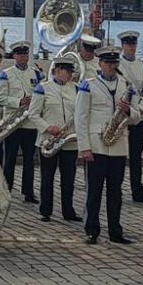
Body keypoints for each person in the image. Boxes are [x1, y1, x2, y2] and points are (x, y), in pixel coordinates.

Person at [76, 47, 133, 245]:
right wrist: (84, 147)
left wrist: (130, 111)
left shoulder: (126, 85)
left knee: (116, 191)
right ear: (100, 64)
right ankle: (92, 229)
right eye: (108, 63)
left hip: (118, 144)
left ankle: (115, 230)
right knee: (94, 190)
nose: (112, 66)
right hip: (97, 145)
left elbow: (138, 115)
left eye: (114, 63)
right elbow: (81, 118)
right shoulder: (88, 85)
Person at [27, 54, 82, 221]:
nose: (70, 74)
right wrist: (47, 127)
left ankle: (68, 211)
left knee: (68, 179)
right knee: (47, 177)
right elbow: (33, 114)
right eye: (67, 71)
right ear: (58, 70)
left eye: (71, 71)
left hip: (69, 141)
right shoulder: (43, 88)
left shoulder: (77, 89)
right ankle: (45, 210)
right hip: (48, 141)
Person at [0, 41, 38, 203]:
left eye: (25, 54)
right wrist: (18, 101)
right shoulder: (6, 74)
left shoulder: (36, 74)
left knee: (29, 159)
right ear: (14, 56)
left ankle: (29, 192)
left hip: (29, 122)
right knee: (10, 158)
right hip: (12, 122)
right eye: (20, 54)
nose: (23, 57)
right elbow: (0, 98)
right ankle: (7, 189)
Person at [116, 31, 143, 204]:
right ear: (123, 46)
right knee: (119, 155)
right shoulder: (116, 64)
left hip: (139, 116)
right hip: (123, 115)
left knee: (136, 156)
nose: (131, 47)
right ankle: (116, 188)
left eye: (134, 44)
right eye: (128, 44)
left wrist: (140, 110)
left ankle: (137, 191)